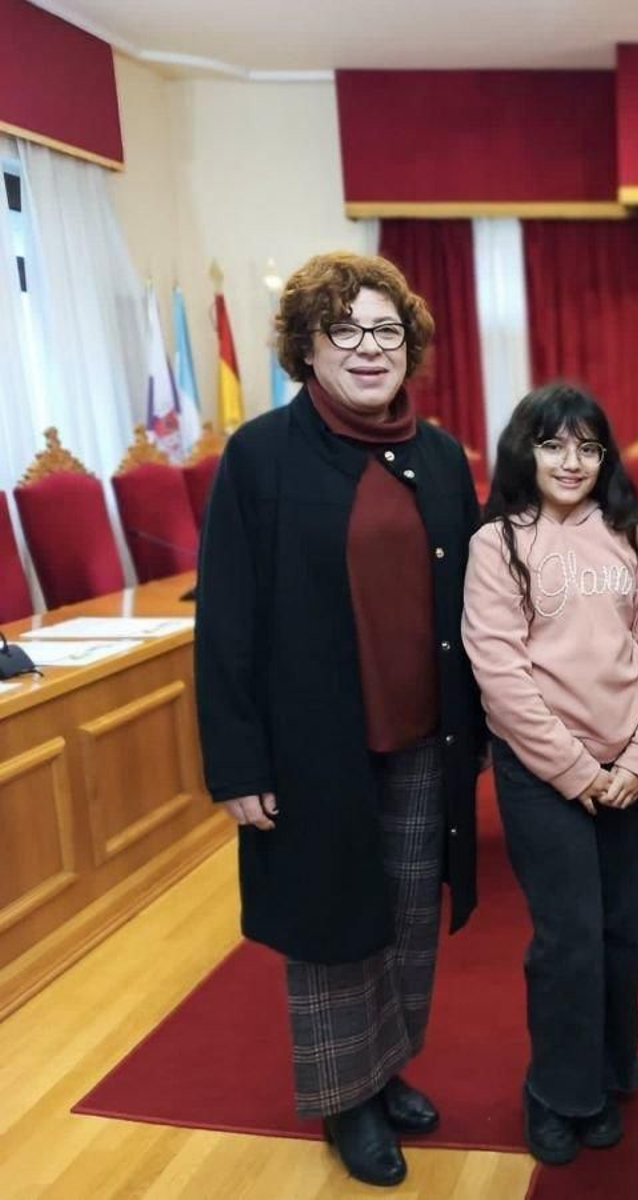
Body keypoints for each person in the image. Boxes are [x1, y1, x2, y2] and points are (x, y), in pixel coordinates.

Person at [194, 251, 483, 1188]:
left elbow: (474, 603)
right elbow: (227, 616)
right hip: (313, 743)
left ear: (411, 346)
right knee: (331, 924)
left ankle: (387, 1065)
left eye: (386, 331)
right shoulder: (261, 455)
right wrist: (237, 763)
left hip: (423, 737)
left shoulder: (438, 455)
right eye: (345, 331)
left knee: (405, 910)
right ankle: (344, 1101)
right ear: (307, 349)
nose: (369, 349)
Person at [462, 384, 638, 1166]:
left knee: (623, 931)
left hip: (626, 770)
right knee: (570, 940)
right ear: (526, 450)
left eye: (588, 446)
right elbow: (501, 673)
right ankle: (558, 1091)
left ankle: (612, 1068)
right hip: (544, 772)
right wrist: (580, 772)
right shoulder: (499, 544)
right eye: (554, 444)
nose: (572, 461)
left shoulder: (629, 535)